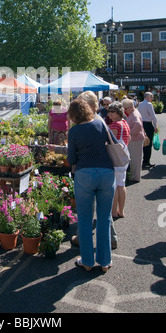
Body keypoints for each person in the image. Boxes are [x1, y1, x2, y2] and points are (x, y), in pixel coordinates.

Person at [67, 98, 116, 273]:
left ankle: (87, 262)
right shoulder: (101, 124)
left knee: (85, 220)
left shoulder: (74, 132)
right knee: (104, 218)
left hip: (84, 175)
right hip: (106, 173)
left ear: (73, 115)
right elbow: (115, 144)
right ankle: (105, 261)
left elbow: (71, 160)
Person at [108, 102, 131, 218]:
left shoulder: (115, 125)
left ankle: (113, 212)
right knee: (121, 184)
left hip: (116, 157)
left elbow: (111, 142)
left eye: (112, 111)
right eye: (109, 111)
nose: (109, 114)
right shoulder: (124, 123)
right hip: (124, 155)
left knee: (116, 185)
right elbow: (129, 138)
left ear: (118, 113)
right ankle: (121, 211)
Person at [122, 98, 145, 182]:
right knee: (135, 159)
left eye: (125, 108)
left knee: (135, 159)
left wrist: (130, 133)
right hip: (136, 138)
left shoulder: (134, 114)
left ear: (130, 107)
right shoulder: (133, 113)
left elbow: (138, 125)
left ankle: (135, 177)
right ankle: (134, 175)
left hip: (135, 139)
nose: (124, 110)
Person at [137, 92, 158, 168]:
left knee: (143, 142)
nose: (152, 98)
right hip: (148, 124)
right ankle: (146, 161)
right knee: (148, 143)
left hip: (142, 124)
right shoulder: (148, 104)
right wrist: (155, 127)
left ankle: (143, 160)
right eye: (151, 97)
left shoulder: (140, 104)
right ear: (147, 97)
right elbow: (153, 116)